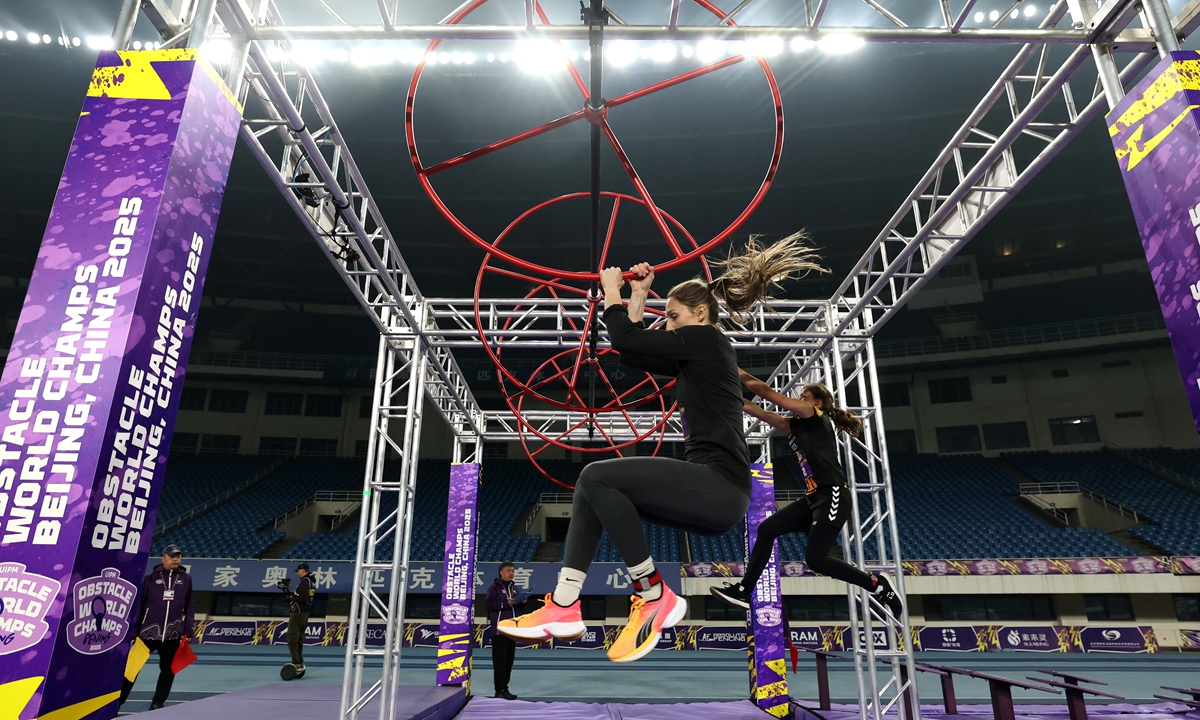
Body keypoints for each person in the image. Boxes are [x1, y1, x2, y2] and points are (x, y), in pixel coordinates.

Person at [499, 233, 825, 663]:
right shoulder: (694, 355)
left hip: (720, 486)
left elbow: (629, 340)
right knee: (591, 492)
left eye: (672, 317)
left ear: (701, 314)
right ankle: (563, 604)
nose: (667, 326)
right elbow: (631, 348)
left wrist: (611, 291)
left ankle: (653, 593)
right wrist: (638, 294)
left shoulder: (709, 341)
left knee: (596, 474)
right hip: (711, 496)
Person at [710, 376, 905, 618]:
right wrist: (717, 386)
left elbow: (768, 394)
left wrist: (733, 370)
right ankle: (743, 590)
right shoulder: (794, 426)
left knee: (816, 561)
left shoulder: (814, 415)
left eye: (804, 396)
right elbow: (755, 410)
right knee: (767, 529)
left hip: (832, 492)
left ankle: (876, 585)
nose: (800, 399)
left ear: (818, 403)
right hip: (813, 497)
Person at [119, 544, 194, 710]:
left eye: (179, 556)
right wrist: (135, 630)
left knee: (168, 671)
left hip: (172, 636)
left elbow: (189, 605)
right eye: (172, 556)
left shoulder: (186, 579)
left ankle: (157, 702)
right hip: (147, 634)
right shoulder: (150, 578)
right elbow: (140, 605)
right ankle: (117, 702)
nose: (176, 559)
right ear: (163, 558)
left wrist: (188, 629)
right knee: (130, 669)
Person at [485, 562, 529, 700]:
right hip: (499, 631)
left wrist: (521, 604)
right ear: (501, 572)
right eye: (509, 570)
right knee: (500, 662)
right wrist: (506, 603)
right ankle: (499, 690)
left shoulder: (515, 588)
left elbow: (514, 609)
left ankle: (505, 688)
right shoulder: (494, 588)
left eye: (513, 571)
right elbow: (488, 605)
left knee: (509, 661)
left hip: (512, 631)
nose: (511, 573)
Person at [286, 562, 315, 677]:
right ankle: (299, 662)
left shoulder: (305, 582)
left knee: (293, 637)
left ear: (302, 571)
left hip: (298, 613)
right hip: (304, 612)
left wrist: (291, 597)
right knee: (299, 639)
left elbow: (303, 597)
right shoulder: (310, 581)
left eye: (298, 571)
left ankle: (296, 662)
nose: (297, 573)